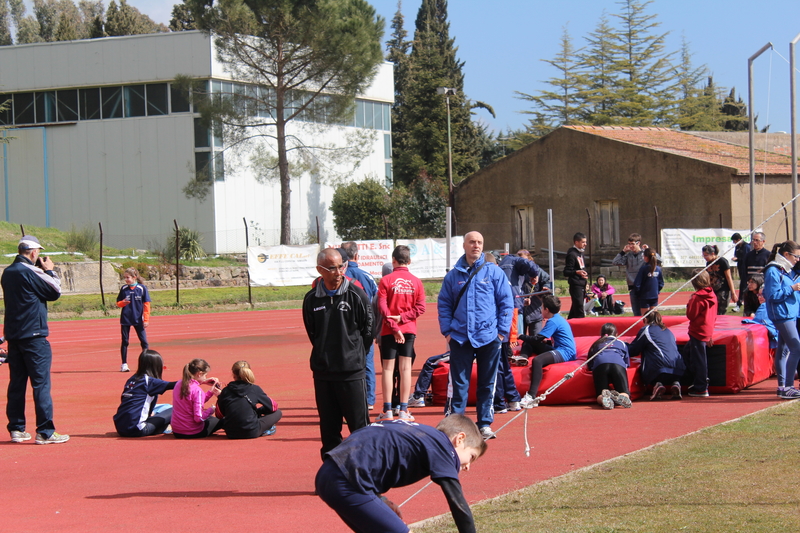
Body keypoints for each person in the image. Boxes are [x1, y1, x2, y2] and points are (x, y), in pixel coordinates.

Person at [315, 414, 486, 533]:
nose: (468, 466)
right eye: (471, 457)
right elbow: (458, 504)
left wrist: (380, 499)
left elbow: (370, 449)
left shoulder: (417, 431)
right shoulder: (443, 447)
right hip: (347, 481)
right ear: (460, 439)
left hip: (327, 474)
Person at [438, 231, 513, 440]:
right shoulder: (453, 276)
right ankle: (454, 423)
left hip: (489, 337)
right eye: (472, 242)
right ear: (464, 245)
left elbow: (506, 303)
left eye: (479, 242)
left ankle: (485, 424)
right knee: (459, 384)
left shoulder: (494, 273)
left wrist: (501, 333)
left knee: (487, 382)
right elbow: (444, 304)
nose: (476, 246)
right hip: (460, 337)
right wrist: (447, 332)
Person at [303, 248, 373, 458]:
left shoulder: (356, 295)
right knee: (329, 430)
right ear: (319, 270)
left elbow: (367, 331)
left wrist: (353, 354)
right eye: (332, 268)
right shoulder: (311, 299)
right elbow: (312, 332)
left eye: (341, 266)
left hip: (351, 373)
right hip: (324, 374)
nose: (338, 272)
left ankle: (366, 474)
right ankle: (332, 477)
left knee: (360, 428)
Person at [3, 235, 69, 444]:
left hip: (15, 335)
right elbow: (55, 290)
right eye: (38, 253)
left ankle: (16, 428)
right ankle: (45, 431)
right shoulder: (30, 270)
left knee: (17, 383)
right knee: (40, 384)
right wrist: (49, 270)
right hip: (34, 336)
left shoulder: (8, 272)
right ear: (33, 253)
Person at [376, 245, 426, 422]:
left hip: (389, 330)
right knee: (405, 369)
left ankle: (387, 410)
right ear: (409, 261)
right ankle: (404, 410)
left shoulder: (386, 281)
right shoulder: (417, 282)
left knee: (388, 369)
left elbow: (382, 307)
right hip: (408, 329)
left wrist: (394, 326)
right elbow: (421, 308)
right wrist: (403, 319)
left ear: (393, 260)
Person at [519, 294, 577, 408]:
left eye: (542, 308)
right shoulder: (557, 318)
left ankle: (531, 396)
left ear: (547, 310)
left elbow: (537, 339)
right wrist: (548, 343)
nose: (540, 310)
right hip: (560, 348)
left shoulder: (553, 321)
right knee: (529, 342)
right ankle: (522, 358)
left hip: (566, 353)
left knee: (537, 360)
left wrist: (520, 336)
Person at [342, 241, 379, 411]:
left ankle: (346, 399)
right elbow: (377, 301)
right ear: (356, 256)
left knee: (343, 363)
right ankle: (369, 398)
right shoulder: (367, 276)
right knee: (367, 362)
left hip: (343, 327)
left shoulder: (335, 277)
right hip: (365, 326)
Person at [763, 241, 800, 399]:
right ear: (787, 255)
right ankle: (789, 386)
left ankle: (782, 387)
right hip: (782, 315)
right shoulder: (773, 270)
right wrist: (792, 288)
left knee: (784, 349)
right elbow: (772, 296)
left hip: (788, 314)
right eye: (796, 256)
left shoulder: (785, 269)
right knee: (796, 348)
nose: (798, 259)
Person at [113, 349, 176, 437]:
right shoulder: (149, 381)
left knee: (164, 407)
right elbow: (176, 385)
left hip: (120, 427)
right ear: (156, 366)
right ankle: (166, 428)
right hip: (137, 429)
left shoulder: (132, 379)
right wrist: (193, 379)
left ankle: (160, 426)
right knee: (175, 408)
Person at [627, 311, 685, 400]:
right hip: (677, 368)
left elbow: (634, 350)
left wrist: (624, 345)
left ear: (645, 319)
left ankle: (657, 384)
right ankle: (675, 383)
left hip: (659, 369)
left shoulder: (646, 330)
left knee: (651, 355)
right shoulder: (668, 331)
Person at [216, 360, 283, 439]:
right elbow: (273, 406)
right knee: (278, 412)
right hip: (251, 431)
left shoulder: (225, 390)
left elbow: (219, 414)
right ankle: (265, 429)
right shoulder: (254, 388)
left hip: (231, 433)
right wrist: (261, 411)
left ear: (233, 374)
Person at [171, 358, 223, 438]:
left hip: (177, 431)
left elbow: (195, 401)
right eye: (205, 375)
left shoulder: (179, 384)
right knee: (220, 421)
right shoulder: (197, 391)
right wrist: (212, 409)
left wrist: (210, 392)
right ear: (199, 374)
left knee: (210, 419)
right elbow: (198, 418)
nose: (206, 377)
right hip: (193, 432)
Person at [686, 270, 718, 397]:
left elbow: (691, 315)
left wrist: (689, 303)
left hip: (698, 331)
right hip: (706, 329)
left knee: (699, 359)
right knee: (688, 353)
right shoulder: (712, 294)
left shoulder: (697, 297)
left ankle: (701, 386)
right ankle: (700, 380)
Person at [587, 323, 631, 409]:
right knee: (624, 391)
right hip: (617, 364)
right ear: (616, 334)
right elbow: (626, 363)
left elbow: (590, 362)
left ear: (601, 333)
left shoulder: (596, 344)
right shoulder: (621, 343)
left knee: (600, 393)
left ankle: (604, 397)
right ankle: (622, 396)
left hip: (600, 365)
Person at [116, 267, 151, 372]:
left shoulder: (142, 288)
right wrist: (123, 303)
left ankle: (146, 364)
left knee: (144, 342)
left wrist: (146, 319)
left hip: (138, 319)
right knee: (125, 341)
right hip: (126, 319)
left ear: (134, 277)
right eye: (125, 278)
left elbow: (147, 305)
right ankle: (124, 364)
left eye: (128, 277)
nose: (126, 280)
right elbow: (118, 303)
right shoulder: (123, 289)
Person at [612, 233, 655, 316]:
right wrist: (623, 252)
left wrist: (649, 250)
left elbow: (658, 260)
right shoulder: (628, 256)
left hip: (644, 286)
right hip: (633, 287)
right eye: (629, 244)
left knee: (646, 312)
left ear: (638, 243)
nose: (630, 246)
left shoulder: (644, 254)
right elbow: (615, 262)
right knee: (636, 312)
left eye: (632, 244)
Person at [702, 244, 736, 315]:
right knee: (711, 311)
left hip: (723, 290)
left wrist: (733, 293)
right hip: (713, 289)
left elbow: (729, 277)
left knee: (720, 312)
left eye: (706, 255)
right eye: (703, 255)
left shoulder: (722, 261)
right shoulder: (708, 263)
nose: (705, 257)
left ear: (712, 254)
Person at [632, 248, 664, 316]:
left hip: (644, 296)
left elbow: (637, 283)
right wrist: (656, 291)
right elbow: (661, 283)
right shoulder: (658, 269)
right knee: (654, 316)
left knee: (645, 317)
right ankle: (654, 326)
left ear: (646, 257)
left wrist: (638, 293)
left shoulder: (644, 269)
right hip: (654, 295)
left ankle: (646, 326)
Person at [564, 232, 589, 319]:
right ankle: (582, 327)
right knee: (579, 309)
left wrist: (585, 281)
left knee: (575, 309)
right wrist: (576, 272)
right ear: (576, 242)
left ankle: (569, 324)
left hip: (582, 283)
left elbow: (582, 268)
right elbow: (566, 271)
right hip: (575, 285)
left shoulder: (581, 253)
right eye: (583, 242)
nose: (585, 244)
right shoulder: (572, 254)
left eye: (585, 242)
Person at [731, 232, 750, 312]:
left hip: (746, 270)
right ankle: (740, 303)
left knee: (744, 286)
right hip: (740, 268)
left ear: (738, 240)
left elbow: (746, 258)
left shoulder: (746, 246)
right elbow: (737, 256)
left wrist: (738, 259)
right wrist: (736, 258)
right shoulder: (738, 247)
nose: (734, 243)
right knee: (742, 286)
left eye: (734, 241)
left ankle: (740, 304)